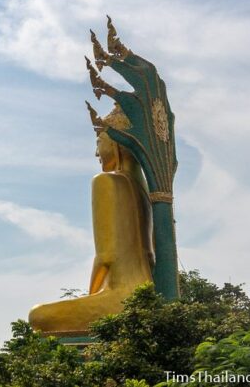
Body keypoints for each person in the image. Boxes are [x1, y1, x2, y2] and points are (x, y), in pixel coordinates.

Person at [28, 104, 155, 337]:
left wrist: (92, 295)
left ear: (115, 142)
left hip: (120, 299)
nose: (97, 153)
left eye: (99, 143)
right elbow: (150, 256)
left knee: (38, 315)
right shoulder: (143, 190)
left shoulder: (105, 182)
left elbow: (105, 257)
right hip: (147, 293)